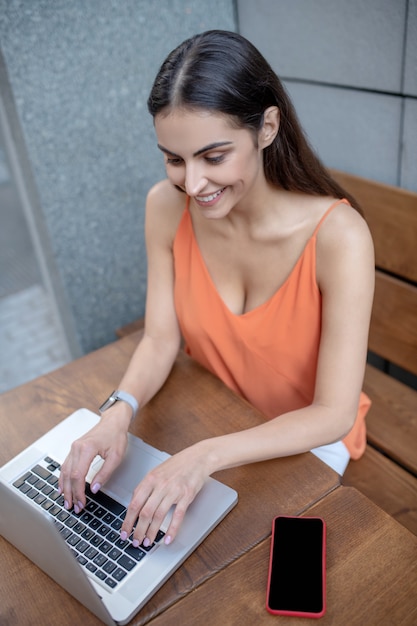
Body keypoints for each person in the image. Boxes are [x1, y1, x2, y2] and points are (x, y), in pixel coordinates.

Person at [59, 30, 374, 549]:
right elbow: (161, 339)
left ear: (267, 127)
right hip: (212, 411)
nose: (193, 183)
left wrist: (204, 455)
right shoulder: (165, 206)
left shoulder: (339, 238)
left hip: (305, 439)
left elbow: (333, 414)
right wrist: (116, 412)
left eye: (213, 156)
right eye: (174, 159)